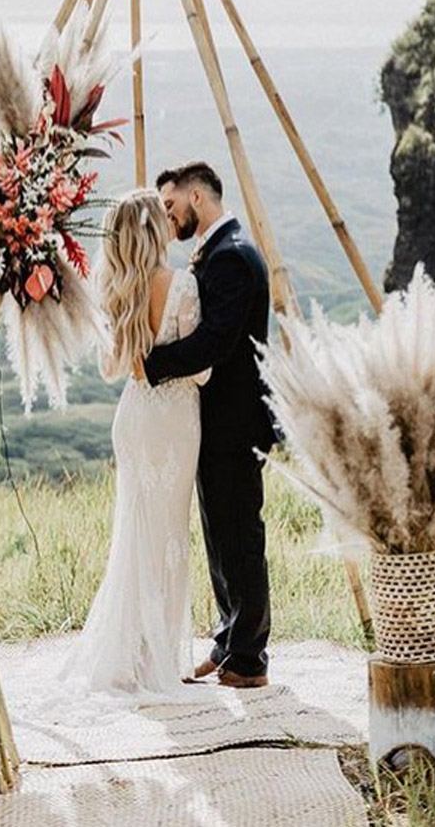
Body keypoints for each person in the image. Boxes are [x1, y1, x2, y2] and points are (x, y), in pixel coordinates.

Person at [58, 187, 210, 698]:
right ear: (153, 230)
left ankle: (132, 654)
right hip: (174, 422)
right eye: (162, 217)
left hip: (133, 418)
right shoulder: (183, 286)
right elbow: (204, 372)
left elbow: (111, 368)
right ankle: (158, 658)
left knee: (134, 531)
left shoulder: (113, 288)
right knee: (169, 536)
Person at [141, 161, 274, 687]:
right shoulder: (219, 250)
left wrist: (151, 365)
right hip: (213, 420)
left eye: (172, 207)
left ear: (197, 196)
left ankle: (249, 658)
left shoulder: (234, 256)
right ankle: (228, 640)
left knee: (241, 536)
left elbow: (215, 341)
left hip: (236, 422)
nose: (169, 220)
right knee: (220, 534)